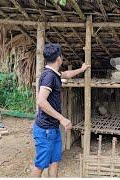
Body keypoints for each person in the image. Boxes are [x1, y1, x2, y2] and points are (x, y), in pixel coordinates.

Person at [31, 43, 90, 177]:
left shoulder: (54, 74)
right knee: (40, 164)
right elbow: (41, 101)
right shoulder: (49, 77)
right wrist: (62, 118)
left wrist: (81, 69)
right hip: (45, 129)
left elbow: (67, 74)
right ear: (59, 58)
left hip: (52, 128)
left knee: (54, 161)